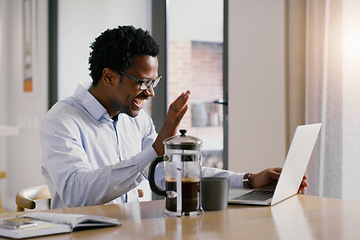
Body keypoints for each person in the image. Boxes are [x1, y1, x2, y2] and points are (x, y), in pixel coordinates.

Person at [40, 25, 307, 209]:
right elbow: (77, 194)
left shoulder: (136, 120)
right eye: (143, 82)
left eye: (154, 82)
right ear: (109, 76)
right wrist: (155, 149)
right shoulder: (63, 120)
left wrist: (248, 180)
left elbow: (164, 174)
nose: (151, 93)